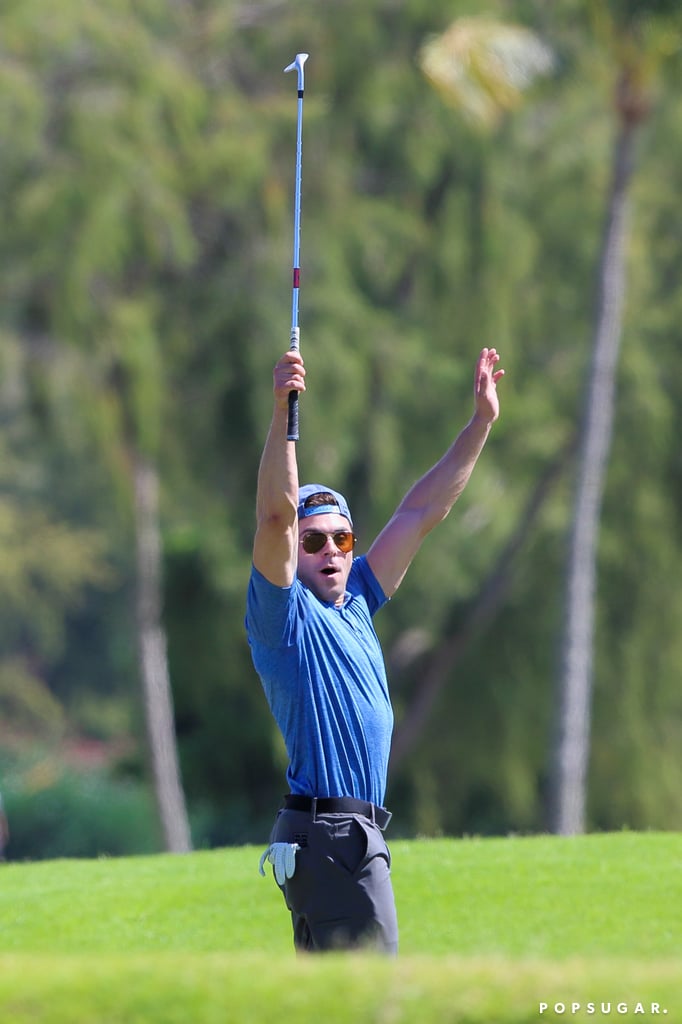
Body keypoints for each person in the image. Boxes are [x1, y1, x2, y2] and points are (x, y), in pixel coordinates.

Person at [246, 345, 504, 953]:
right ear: (297, 552)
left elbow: (421, 510)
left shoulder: (357, 595)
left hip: (342, 836)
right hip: (331, 836)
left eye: (342, 537)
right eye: (316, 542)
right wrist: (284, 412)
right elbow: (274, 519)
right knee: (371, 1003)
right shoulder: (283, 615)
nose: (331, 550)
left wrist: (480, 424)